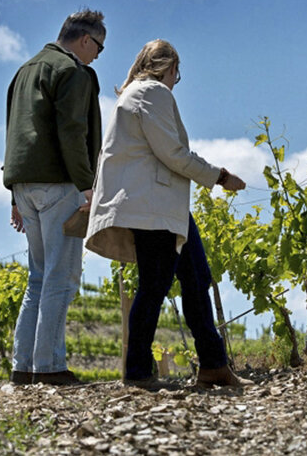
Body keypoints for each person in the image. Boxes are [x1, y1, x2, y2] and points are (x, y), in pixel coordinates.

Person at [85, 39, 252, 389]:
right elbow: (172, 153)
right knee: (155, 286)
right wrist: (219, 176)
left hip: (161, 207)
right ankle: (138, 373)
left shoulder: (130, 95)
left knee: (196, 278)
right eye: (178, 72)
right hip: (153, 207)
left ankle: (213, 364)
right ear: (169, 67)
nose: (177, 80)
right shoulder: (153, 93)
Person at [3, 9, 106, 386]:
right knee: (60, 278)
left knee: (38, 277)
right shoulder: (72, 72)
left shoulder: (24, 70)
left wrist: (14, 194)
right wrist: (87, 184)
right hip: (60, 184)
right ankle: (48, 369)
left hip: (24, 187)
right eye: (99, 46)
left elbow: (15, 132)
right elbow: (72, 131)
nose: (98, 55)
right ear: (84, 40)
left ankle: (23, 368)